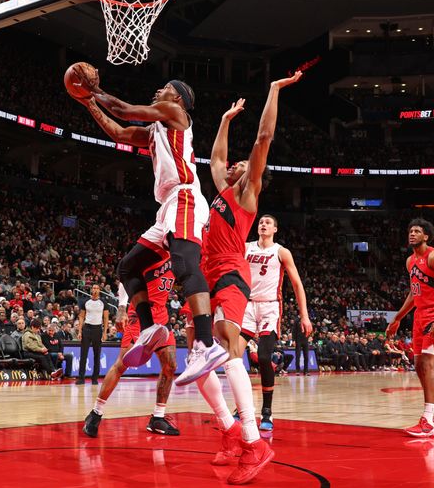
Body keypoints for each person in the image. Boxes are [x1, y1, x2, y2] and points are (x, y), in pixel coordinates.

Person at [180, 72, 302, 484]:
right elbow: (215, 159)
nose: (234, 163)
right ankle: (229, 432)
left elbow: (264, 137)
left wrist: (272, 91)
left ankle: (253, 439)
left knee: (230, 341)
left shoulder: (247, 193)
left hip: (232, 269)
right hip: (207, 271)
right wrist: (227, 120)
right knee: (196, 348)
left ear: (253, 175)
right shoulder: (220, 188)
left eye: (243, 164)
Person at [72, 74, 224, 379]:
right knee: (128, 268)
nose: (159, 89)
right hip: (167, 205)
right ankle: (150, 328)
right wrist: (89, 103)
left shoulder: (176, 113)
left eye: (166, 87)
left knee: (184, 263)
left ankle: (207, 344)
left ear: (178, 98)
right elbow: (118, 132)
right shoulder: (157, 129)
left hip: (185, 196)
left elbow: (124, 111)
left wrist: (95, 90)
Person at [83, 254, 180, 437]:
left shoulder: (179, 253)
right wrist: (121, 308)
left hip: (161, 315)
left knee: (170, 365)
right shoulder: (152, 248)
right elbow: (127, 276)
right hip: (140, 312)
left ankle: (157, 417)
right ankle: (95, 413)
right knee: (122, 364)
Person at [386, 219, 434, 437]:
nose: (412, 234)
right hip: (419, 315)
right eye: (410, 231)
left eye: (417, 231)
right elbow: (413, 293)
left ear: (426, 236)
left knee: (427, 363)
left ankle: (427, 420)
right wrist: (397, 318)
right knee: (418, 366)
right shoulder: (410, 261)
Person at [241, 213, 312, 430]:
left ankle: (267, 412)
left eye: (268, 223)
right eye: (261, 222)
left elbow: (297, 285)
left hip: (270, 306)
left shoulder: (281, 252)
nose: (263, 224)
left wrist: (305, 316)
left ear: (275, 229)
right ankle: (241, 407)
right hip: (246, 305)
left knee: (263, 357)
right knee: (233, 357)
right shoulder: (245, 247)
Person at [77, 284, 109, 385]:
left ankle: (94, 378)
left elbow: (106, 318)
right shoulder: (86, 302)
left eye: (96, 288)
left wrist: (104, 332)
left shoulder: (103, 302)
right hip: (87, 328)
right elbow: (81, 316)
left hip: (97, 329)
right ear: (91, 290)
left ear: (99, 290)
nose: (95, 290)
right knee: (83, 354)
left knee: (97, 355)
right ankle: (81, 378)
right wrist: (80, 331)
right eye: (93, 288)